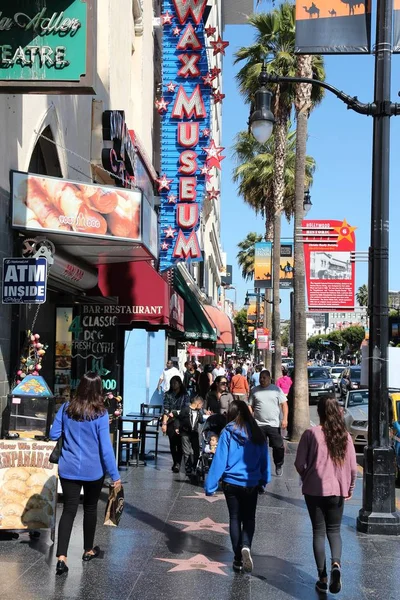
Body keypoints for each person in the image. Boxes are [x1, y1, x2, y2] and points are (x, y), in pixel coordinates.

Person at [49, 372, 121, 575]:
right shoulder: (100, 413)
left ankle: (61, 558)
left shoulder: (66, 408)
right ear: (98, 389)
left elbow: (53, 434)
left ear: (80, 387)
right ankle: (88, 549)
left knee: (69, 510)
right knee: (90, 509)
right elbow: (106, 449)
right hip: (93, 470)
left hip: (68, 468)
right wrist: (114, 475)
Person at [294, 395, 357, 595]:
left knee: (318, 532)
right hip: (337, 489)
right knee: (334, 531)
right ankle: (336, 564)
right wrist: (350, 488)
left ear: (319, 412)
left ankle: (322, 578)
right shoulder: (345, 436)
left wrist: (307, 474)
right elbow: (353, 468)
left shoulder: (310, 434)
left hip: (314, 490)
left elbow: (298, 463)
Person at [205, 400, 270, 573]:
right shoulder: (257, 432)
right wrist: (264, 479)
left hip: (231, 483)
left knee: (234, 517)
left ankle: (237, 559)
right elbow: (264, 459)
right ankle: (246, 546)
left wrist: (210, 485)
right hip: (251, 482)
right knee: (249, 517)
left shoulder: (227, 431)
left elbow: (220, 459)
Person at [249, 370, 288, 477]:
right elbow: (250, 406)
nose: (262, 380)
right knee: (259, 447)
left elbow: (284, 405)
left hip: (273, 424)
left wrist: (285, 419)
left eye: (264, 377)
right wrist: (249, 419)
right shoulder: (254, 390)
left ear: (269, 378)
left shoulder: (276, 390)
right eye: (261, 377)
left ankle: (278, 464)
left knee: (278, 447)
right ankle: (260, 468)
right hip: (258, 424)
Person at [161, 376, 190, 472]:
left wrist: (175, 412)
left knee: (181, 442)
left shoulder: (185, 395)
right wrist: (164, 423)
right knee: (173, 442)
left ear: (180, 383)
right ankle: (175, 462)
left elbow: (186, 409)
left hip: (181, 421)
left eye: (176, 382)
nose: (174, 385)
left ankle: (179, 462)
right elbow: (165, 409)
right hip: (171, 421)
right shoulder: (168, 394)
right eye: (172, 383)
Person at [177, 395, 204, 475]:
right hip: (185, 433)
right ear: (198, 403)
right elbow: (179, 418)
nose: (201, 407)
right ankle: (188, 466)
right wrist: (177, 427)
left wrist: (202, 412)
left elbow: (201, 420)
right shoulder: (185, 409)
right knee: (186, 451)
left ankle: (194, 465)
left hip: (194, 433)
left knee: (196, 450)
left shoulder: (199, 412)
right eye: (201, 405)